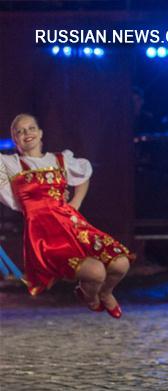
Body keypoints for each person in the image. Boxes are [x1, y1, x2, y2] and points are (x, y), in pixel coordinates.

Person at [0, 114, 135, 317]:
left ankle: (106, 292)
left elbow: (84, 175)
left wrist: (76, 202)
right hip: (46, 235)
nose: (26, 133)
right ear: (15, 139)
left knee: (121, 263)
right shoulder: (10, 164)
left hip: (72, 224)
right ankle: (89, 296)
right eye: (19, 131)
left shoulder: (59, 159)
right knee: (96, 271)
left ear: (40, 133)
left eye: (31, 128)